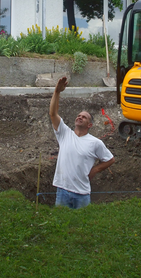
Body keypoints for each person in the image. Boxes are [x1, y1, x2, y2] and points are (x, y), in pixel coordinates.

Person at [49, 76, 115, 209]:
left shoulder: (95, 143)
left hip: (82, 194)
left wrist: (95, 169)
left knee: (82, 227)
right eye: (79, 115)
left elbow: (110, 159)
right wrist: (57, 92)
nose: (80, 117)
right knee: (60, 226)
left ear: (89, 125)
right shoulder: (64, 134)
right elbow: (53, 114)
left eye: (84, 117)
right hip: (62, 191)